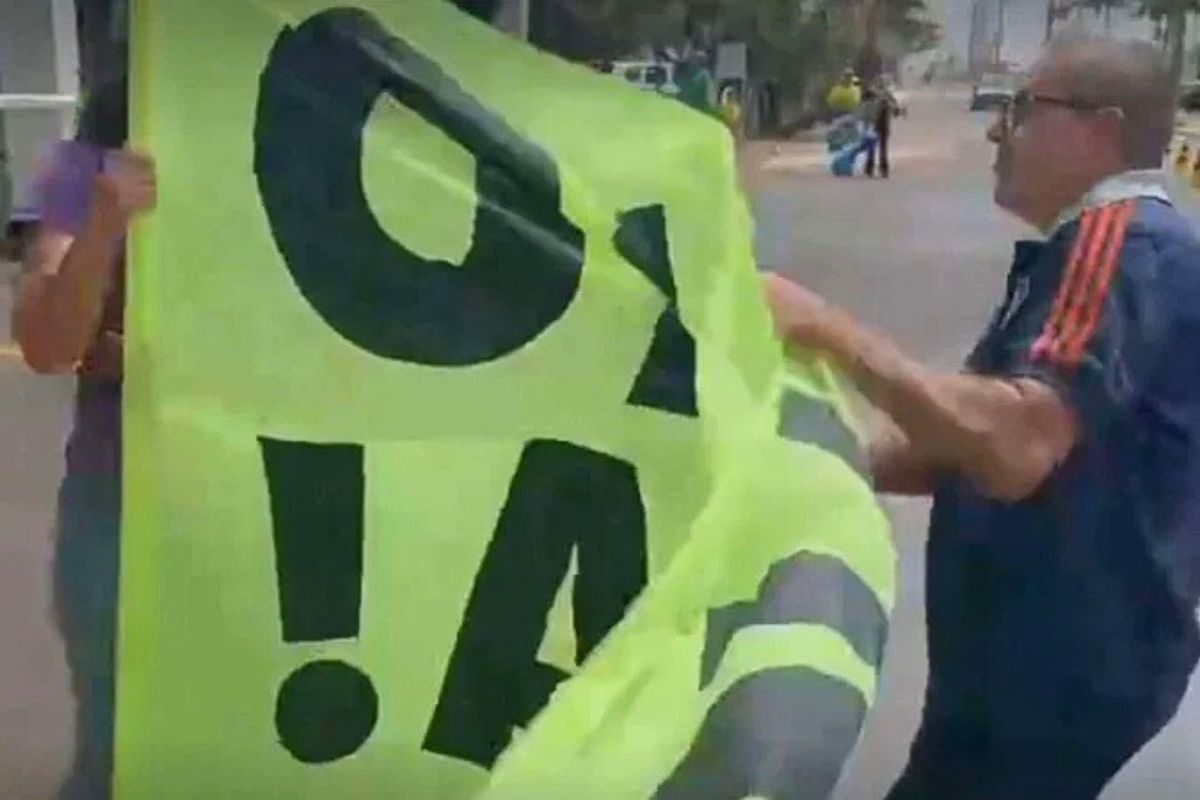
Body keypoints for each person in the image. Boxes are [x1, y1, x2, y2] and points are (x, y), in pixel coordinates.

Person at [765, 37, 1200, 798]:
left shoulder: (1121, 244)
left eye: (1023, 111)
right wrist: (791, 457)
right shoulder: (1079, 252)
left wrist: (823, 329)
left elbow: (1014, 445)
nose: (999, 132)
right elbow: (956, 443)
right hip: (1021, 679)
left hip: (1056, 680)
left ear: (1100, 128)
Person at [12, 75, 156, 799]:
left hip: (291, 505)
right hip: (121, 504)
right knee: (115, 754)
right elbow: (46, 343)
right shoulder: (94, 163)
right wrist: (105, 223)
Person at [865, 77, 897, 179]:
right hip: (879, 125)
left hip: (876, 125)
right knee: (879, 148)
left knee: (874, 148)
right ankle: (881, 169)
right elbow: (895, 110)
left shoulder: (874, 94)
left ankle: (872, 169)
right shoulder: (886, 95)